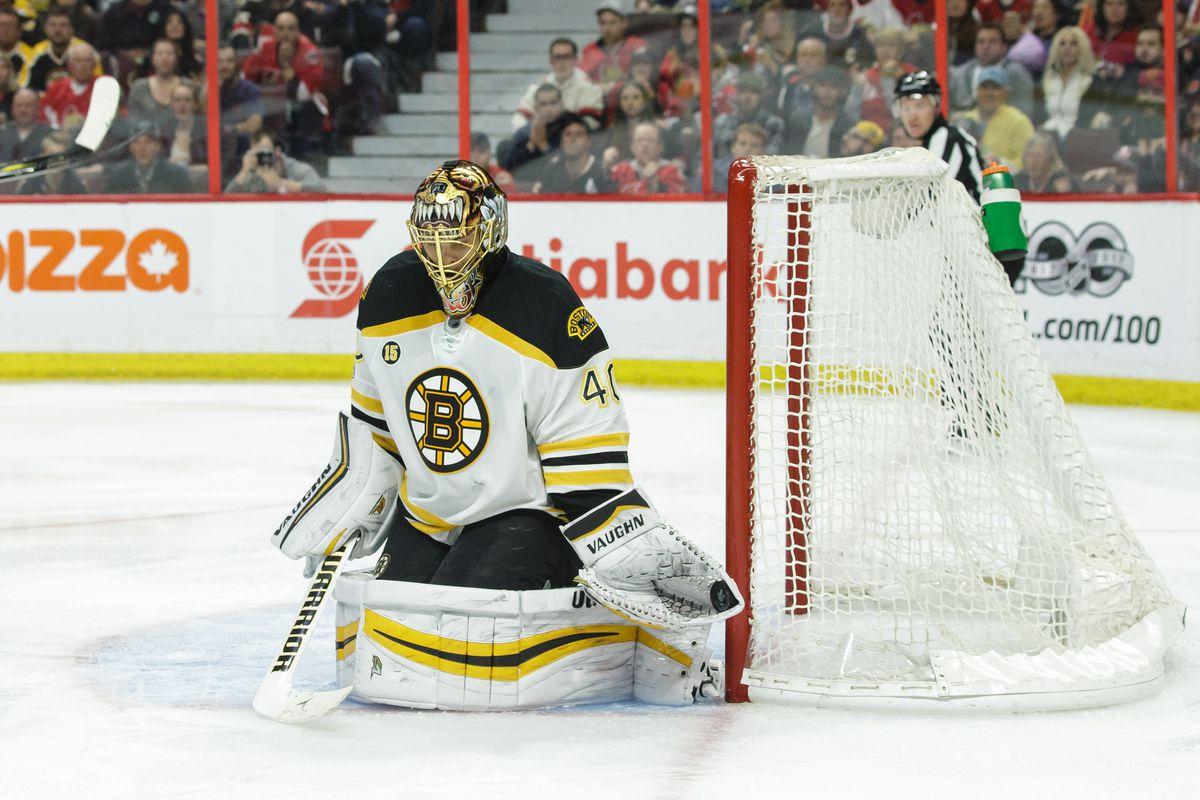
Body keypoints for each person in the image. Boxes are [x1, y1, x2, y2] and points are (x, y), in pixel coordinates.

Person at [270, 160, 737, 710]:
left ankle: (602, 611)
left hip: (525, 513)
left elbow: (585, 440)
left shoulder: (543, 305)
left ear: (489, 230)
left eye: (457, 237)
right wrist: (358, 498)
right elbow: (378, 428)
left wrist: (614, 532)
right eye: (431, 238)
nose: (442, 255)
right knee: (389, 615)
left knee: (454, 632)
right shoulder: (388, 294)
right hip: (430, 513)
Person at [240, 10, 327, 157]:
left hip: (303, 104)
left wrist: (285, 64)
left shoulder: (310, 52)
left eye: (290, 28)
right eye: (280, 28)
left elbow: (303, 94)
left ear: (298, 31)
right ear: (274, 30)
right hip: (269, 102)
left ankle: (295, 151)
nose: (285, 33)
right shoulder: (265, 48)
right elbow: (245, 79)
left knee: (296, 108)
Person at [894, 71, 984, 200]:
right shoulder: (933, 141)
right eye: (906, 108)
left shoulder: (948, 138)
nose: (911, 116)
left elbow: (938, 203)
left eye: (920, 106)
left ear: (936, 107)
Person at [512, 38, 604, 131]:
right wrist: (527, 133)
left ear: (576, 60)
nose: (562, 62)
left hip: (572, 138)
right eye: (558, 57)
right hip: (542, 135)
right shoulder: (541, 84)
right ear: (551, 61)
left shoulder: (587, 86)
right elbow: (521, 116)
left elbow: (592, 122)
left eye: (566, 57)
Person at [949, 22, 1035, 118]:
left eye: (992, 42)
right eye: (981, 41)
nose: (986, 46)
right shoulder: (961, 73)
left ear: (1004, 47)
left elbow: (1023, 111)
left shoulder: (1017, 74)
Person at [957, 66, 1034, 170]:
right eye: (984, 87)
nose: (989, 93)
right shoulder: (964, 120)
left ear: (1006, 92)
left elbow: (1029, 163)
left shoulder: (1019, 122)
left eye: (995, 88)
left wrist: (1000, 163)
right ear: (977, 91)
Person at [501, 83, 569, 184]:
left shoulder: (571, 129)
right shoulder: (524, 132)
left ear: (562, 105)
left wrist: (543, 145)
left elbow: (567, 168)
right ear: (536, 107)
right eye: (543, 104)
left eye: (553, 103)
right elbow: (509, 169)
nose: (548, 109)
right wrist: (531, 145)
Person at [19, 6, 99, 92]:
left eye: (63, 25)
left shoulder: (86, 51)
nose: (57, 30)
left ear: (72, 29)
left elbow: (99, 83)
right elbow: (23, 86)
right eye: (53, 25)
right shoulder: (37, 52)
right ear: (45, 28)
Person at [784, 64, 855, 157]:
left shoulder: (847, 124)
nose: (827, 91)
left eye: (833, 87)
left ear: (842, 91)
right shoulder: (798, 119)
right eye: (822, 85)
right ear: (814, 88)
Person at [225, 128, 326, 193]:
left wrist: (281, 183)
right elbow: (224, 202)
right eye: (256, 152)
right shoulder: (252, 174)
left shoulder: (295, 169)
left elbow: (321, 189)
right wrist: (244, 171)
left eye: (264, 150)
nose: (261, 156)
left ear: (277, 151)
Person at [579, 1, 647, 97]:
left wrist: (613, 87)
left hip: (629, 101)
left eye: (613, 22)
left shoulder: (637, 45)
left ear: (624, 23)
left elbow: (642, 80)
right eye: (603, 23)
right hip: (599, 102)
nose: (607, 28)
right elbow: (581, 82)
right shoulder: (589, 50)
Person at [531, 112, 612, 194]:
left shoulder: (601, 171)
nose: (573, 139)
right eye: (568, 134)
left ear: (589, 142)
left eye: (579, 134)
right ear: (561, 142)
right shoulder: (553, 168)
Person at [1039, 26, 1096, 139]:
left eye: (1073, 44)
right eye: (1062, 43)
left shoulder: (1089, 81)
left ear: (1082, 49)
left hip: (1076, 137)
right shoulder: (1048, 79)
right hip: (1047, 134)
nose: (1067, 48)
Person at [104, 122, 193, 193]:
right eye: (137, 142)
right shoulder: (118, 175)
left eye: (148, 142)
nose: (142, 148)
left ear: (159, 146)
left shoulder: (177, 175)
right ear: (130, 147)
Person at [128, 37, 193, 131]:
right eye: (160, 54)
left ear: (176, 58)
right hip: (147, 141)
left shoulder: (188, 85)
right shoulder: (139, 87)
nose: (164, 58)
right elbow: (133, 121)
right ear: (153, 58)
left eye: (169, 54)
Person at [713, 71, 784, 156]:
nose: (747, 97)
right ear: (736, 94)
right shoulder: (722, 121)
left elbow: (772, 159)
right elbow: (710, 156)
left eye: (753, 92)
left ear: (761, 96)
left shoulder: (774, 124)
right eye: (743, 91)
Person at [610, 120, 686, 194]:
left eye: (650, 140)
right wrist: (606, 166)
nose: (645, 145)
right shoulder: (620, 169)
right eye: (640, 140)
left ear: (660, 147)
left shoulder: (673, 171)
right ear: (632, 147)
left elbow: (676, 202)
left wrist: (655, 184)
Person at [40, 42, 99, 130]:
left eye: (87, 60)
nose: (83, 66)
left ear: (94, 64)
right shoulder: (55, 89)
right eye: (78, 60)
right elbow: (43, 118)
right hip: (60, 140)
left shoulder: (104, 87)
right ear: (69, 64)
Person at [801, 0, 875, 69]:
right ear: (827, 10)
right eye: (832, 5)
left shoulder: (859, 34)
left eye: (842, 5)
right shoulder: (814, 32)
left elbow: (869, 63)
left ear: (849, 10)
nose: (837, 10)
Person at [703, 120, 766, 192]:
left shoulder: (772, 177)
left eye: (754, 145)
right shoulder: (713, 172)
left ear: (762, 151)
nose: (747, 149)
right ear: (733, 147)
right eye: (742, 144)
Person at [16, 130, 87, 193]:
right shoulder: (29, 182)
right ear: (42, 157)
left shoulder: (76, 182)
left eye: (61, 157)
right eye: (51, 156)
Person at [0, 87, 50, 162]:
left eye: (28, 105)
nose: (23, 110)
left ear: (37, 108)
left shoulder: (50, 135)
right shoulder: (2, 134)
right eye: (19, 105)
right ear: (12, 109)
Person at [163, 82, 206, 166]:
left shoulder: (205, 127)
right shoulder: (165, 128)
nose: (182, 105)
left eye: (187, 100)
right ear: (171, 103)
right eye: (177, 100)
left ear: (194, 104)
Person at [0, 8, 31, 81]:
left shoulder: (30, 57)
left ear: (19, 30)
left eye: (10, 25)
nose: (5, 29)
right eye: (1, 25)